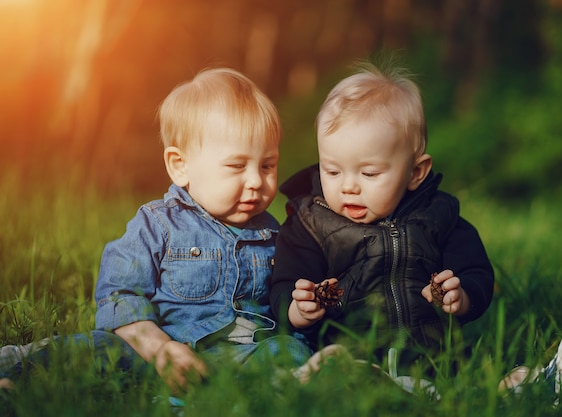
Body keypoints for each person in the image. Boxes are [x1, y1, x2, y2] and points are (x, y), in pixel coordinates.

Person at [0, 67, 312, 394]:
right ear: (181, 165)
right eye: (236, 166)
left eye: (267, 165)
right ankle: (18, 374)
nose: (256, 181)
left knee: (289, 350)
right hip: (159, 350)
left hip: (243, 353)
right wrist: (159, 348)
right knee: (95, 349)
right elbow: (121, 294)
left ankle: (288, 385)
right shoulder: (158, 224)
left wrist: (302, 305)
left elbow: (282, 305)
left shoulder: (276, 236)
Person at [269, 60, 495, 379]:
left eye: (369, 173)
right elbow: (283, 285)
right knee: (343, 374)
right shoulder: (310, 225)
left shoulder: (438, 218)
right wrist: (298, 308)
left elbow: (476, 271)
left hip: (434, 359)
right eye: (332, 171)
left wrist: (463, 295)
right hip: (350, 357)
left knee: (473, 381)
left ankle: (534, 379)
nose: (348, 186)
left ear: (415, 172)